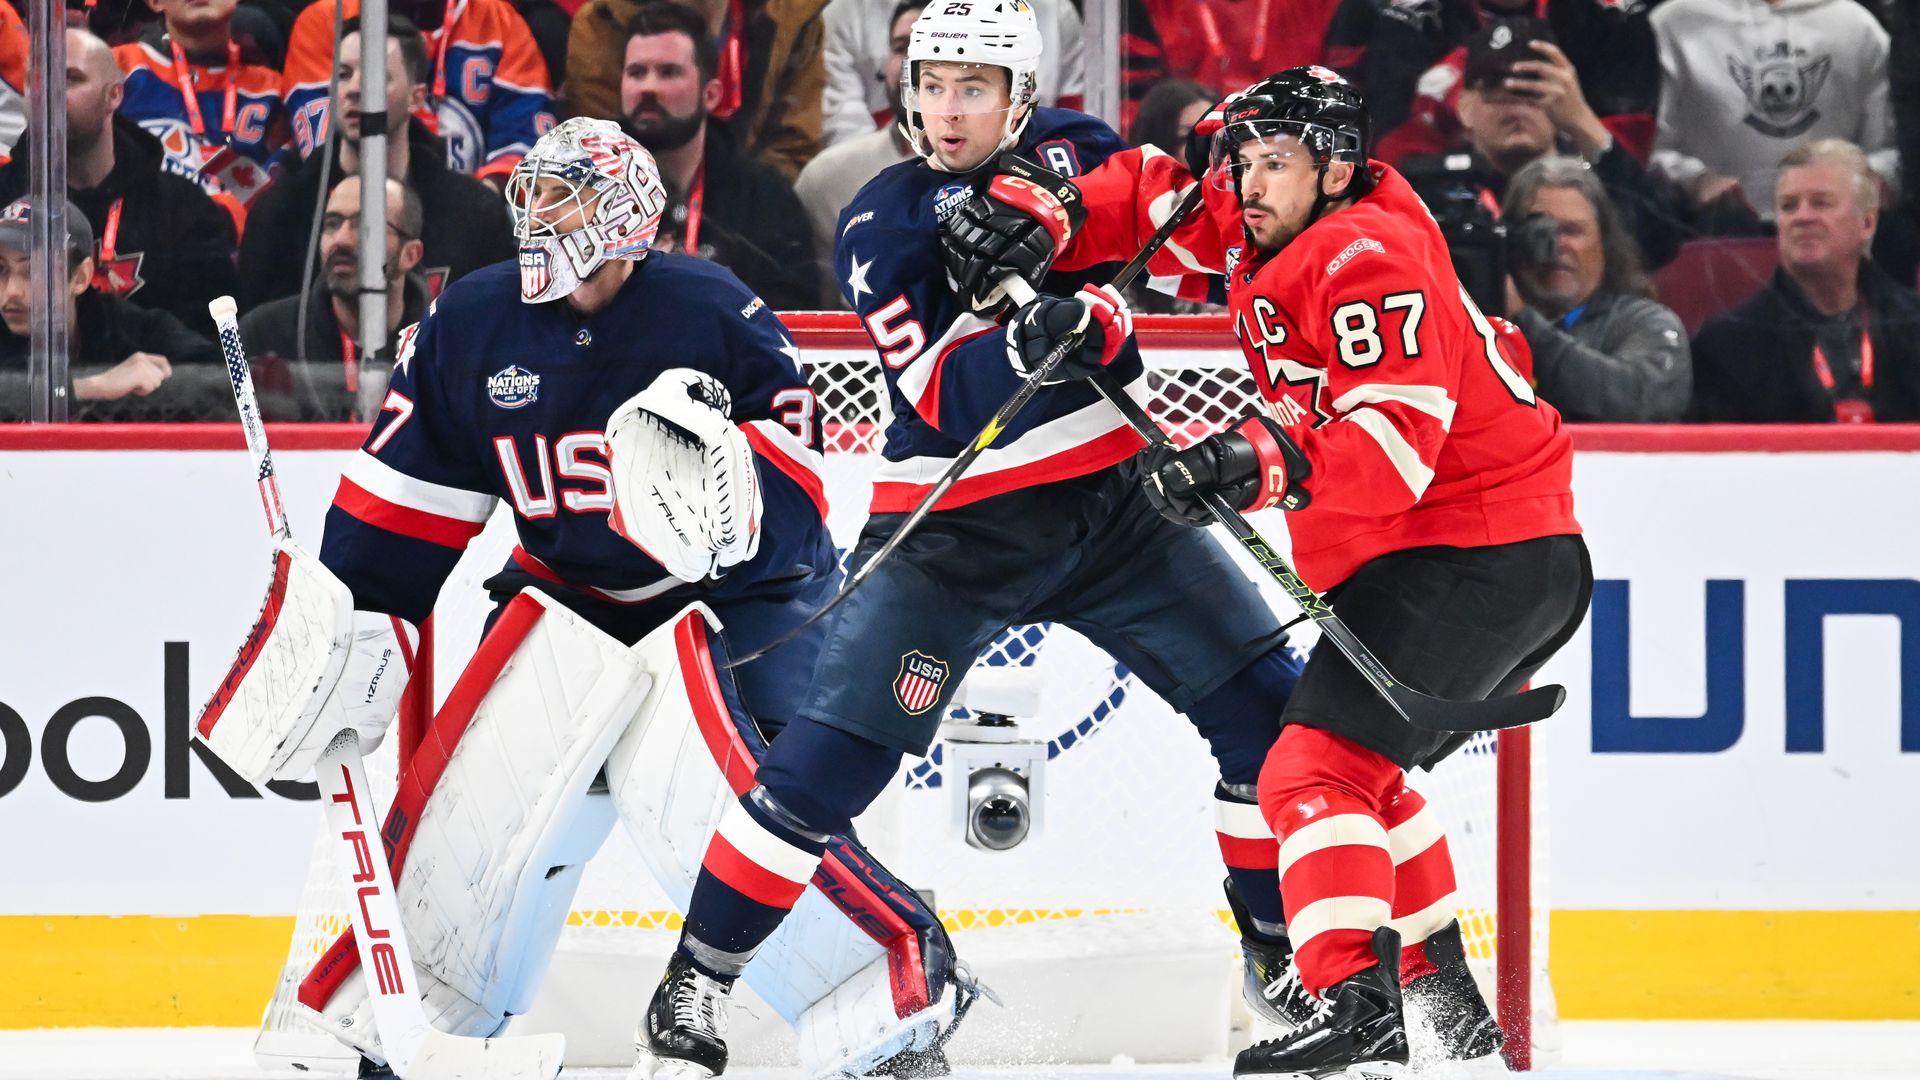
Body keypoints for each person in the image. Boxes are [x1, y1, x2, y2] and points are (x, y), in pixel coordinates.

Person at [641, 4, 1314, 1075]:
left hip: (1117, 511)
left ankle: (1277, 962)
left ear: (1021, 96)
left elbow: (1193, 258)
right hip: (953, 536)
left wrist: (1181, 223)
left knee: (1275, 723)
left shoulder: (1082, 154)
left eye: (972, 88)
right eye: (931, 85)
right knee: (818, 773)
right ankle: (695, 980)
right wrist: (1033, 343)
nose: (946, 111)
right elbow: (943, 397)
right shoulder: (882, 219)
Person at [263, 116, 958, 1078]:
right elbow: (405, 493)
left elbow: (799, 491)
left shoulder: (714, 310)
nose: (540, 220)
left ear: (628, 220)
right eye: (535, 198)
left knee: (739, 806)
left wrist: (733, 512)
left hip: (730, 601)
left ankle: (880, 1009)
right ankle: (390, 1026)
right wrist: (347, 625)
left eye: (568, 200)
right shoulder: (473, 319)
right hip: (563, 597)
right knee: (475, 818)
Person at [969, 66, 1593, 1076]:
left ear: (1335, 169)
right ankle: (1445, 1013)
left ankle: (1355, 1001)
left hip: (1481, 548)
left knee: (1308, 771)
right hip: (1445, 549)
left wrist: (1244, 459)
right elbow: (1163, 201)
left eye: (1273, 163)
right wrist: (1047, 218)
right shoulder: (1275, 215)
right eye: (1243, 161)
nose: (1247, 184)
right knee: (1364, 777)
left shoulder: (1370, 255)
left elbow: (1391, 452)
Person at [236, 15, 514, 310]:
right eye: (343, 75)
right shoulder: (281, 212)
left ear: (416, 98)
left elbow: (501, 324)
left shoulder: (473, 213)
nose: (354, 89)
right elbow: (257, 332)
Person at [0, 28, 239, 341]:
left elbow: (218, 344)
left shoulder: (183, 206)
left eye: (70, 79)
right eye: (36, 81)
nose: (48, 94)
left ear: (114, 95)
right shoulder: (4, 199)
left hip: (160, 372)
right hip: (25, 374)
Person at [1394, 17, 1684, 272]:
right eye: (1494, 86)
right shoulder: (1423, 188)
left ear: (1565, 99)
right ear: (1464, 107)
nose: (1515, 103)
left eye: (1533, 85)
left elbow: (1659, 247)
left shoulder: (1598, 181)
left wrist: (1585, 124)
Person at [1692, 138, 1920, 423]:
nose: (1802, 217)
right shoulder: (1726, 347)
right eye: (1789, 206)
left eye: (1821, 203)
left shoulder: (1913, 328)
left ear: (1867, 223)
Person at [619, 1, 817, 309]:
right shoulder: (585, 185)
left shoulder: (764, 197)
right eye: (636, 72)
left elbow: (793, 313)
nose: (648, 87)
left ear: (710, 95)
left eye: (668, 72)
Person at [1651, 0, 1897, 233]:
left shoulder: (1857, 27)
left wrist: (1868, 181)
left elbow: (1890, 149)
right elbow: (1648, 148)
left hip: (1840, 235)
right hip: (1707, 231)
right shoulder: (1672, 25)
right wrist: (1697, 181)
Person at [281, 0, 555, 184]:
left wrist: (477, 205)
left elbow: (524, 143)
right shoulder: (324, 22)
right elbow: (325, 153)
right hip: (355, 209)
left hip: (469, 213)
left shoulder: (499, 21)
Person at [1502, 155, 1690, 422]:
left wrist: (1524, 322)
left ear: (1604, 242)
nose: (1556, 246)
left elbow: (1641, 402)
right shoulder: (1478, 326)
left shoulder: (1644, 323)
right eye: (1539, 231)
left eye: (1571, 231)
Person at [0, 196, 221, 421]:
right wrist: (90, 386)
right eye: (0, 269)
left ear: (80, 277)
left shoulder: (131, 329)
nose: (11, 291)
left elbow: (225, 382)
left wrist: (160, 384)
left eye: (33, 271)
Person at [568, 0, 830, 182]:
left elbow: (791, 147)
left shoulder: (793, 19)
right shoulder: (603, 22)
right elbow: (601, 147)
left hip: (752, 209)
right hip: (634, 202)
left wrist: (743, 209)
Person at [238, 175, 430, 421]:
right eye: (332, 224)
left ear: (410, 255)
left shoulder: (445, 344)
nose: (341, 239)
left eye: (365, 225)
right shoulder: (264, 335)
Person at [819, 0, 1082, 147]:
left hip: (1021, 167)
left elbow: (1073, 121)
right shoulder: (845, 15)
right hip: (897, 170)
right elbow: (845, 133)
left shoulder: (1050, 10)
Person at [793, 0, 917, 306]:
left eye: (933, 48)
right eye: (902, 48)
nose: (914, 63)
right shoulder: (826, 179)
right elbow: (816, 315)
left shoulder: (1014, 173)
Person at [112, 0, 290, 214]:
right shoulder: (116, 68)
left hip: (236, 231)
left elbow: (278, 201)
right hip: (132, 226)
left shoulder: (274, 92)